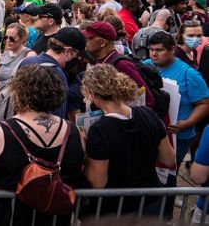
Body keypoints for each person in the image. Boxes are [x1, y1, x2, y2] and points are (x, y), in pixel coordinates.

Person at [0, 64, 84, 226]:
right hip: (52, 218)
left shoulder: (1, 131)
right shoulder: (73, 132)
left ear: (20, 93)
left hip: (7, 216)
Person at [82, 64, 174, 216]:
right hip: (151, 202)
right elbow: (169, 159)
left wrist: (85, 151)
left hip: (118, 209)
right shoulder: (148, 114)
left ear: (92, 93)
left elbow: (97, 182)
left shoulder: (99, 130)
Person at [144, 31, 209, 174]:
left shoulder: (189, 74)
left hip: (178, 136)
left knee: (168, 175)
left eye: (159, 50)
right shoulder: (146, 66)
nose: (154, 54)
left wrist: (188, 122)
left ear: (172, 49)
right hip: (152, 133)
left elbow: (204, 103)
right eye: (151, 49)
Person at [19, 28, 89, 119]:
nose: (77, 59)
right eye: (77, 55)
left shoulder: (25, 62)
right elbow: (56, 118)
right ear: (68, 51)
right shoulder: (57, 74)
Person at [83, 21, 155, 109]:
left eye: (89, 38)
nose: (86, 42)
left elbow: (147, 100)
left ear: (102, 42)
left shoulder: (122, 65)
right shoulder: (100, 61)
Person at [0, 23, 30, 96]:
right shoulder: (5, 53)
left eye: (12, 38)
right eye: (6, 37)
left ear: (22, 39)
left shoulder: (28, 55)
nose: (8, 40)